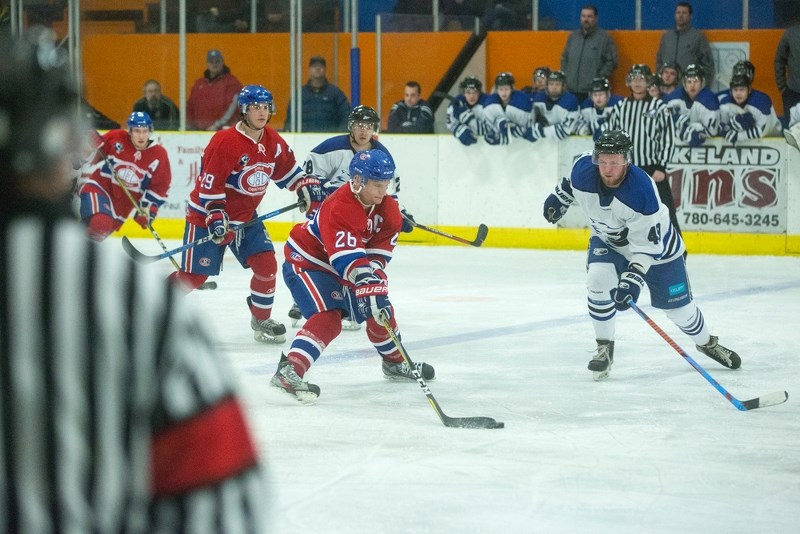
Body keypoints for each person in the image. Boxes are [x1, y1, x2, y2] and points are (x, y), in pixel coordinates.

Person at [0, 28, 267, 532]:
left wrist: (144, 209)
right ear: (57, 140)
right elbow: (228, 504)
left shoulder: (157, 162)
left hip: (122, 213)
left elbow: (156, 191)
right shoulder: (131, 300)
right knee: (97, 225)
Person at [542, 130, 741, 381]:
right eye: (602, 160)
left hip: (658, 251)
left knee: (681, 311)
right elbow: (569, 184)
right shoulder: (583, 169)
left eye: (614, 162)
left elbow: (646, 248)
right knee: (598, 281)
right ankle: (604, 347)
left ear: (626, 160)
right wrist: (558, 198)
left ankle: (707, 343)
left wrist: (632, 280)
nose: (607, 168)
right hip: (609, 240)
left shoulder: (642, 190)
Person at [168, 84, 325, 344]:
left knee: (267, 265)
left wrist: (304, 187)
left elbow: (289, 172)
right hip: (207, 215)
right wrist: (216, 216)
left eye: (265, 107)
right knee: (194, 276)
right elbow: (209, 185)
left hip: (246, 218)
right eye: (255, 107)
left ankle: (261, 319)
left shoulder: (272, 141)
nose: (262, 113)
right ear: (244, 110)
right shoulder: (225, 141)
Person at [275, 150, 436, 403]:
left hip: (341, 262)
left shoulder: (389, 209)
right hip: (309, 260)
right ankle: (290, 370)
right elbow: (346, 259)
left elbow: (377, 255)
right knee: (330, 317)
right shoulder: (339, 205)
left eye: (386, 184)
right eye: (377, 185)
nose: (383, 191)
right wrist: (365, 280)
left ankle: (395, 362)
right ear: (358, 181)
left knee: (379, 307)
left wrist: (373, 282)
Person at [286, 104, 417, 328]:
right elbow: (309, 175)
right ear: (351, 127)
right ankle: (304, 297)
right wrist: (311, 189)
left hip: (362, 212)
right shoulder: (332, 148)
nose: (363, 131)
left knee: (354, 256)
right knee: (319, 252)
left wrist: (399, 212)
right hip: (330, 208)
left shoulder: (382, 156)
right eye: (359, 125)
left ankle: (354, 298)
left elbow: (388, 193)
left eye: (368, 126)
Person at [603, 64, 680, 237]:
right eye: (634, 78)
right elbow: (610, 135)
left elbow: (668, 138)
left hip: (652, 169)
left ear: (649, 82)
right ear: (629, 81)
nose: (637, 82)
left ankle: (678, 252)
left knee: (665, 211)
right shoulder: (620, 107)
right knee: (622, 211)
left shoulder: (659, 107)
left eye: (642, 79)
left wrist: (661, 166)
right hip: (626, 170)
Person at [77, 111, 172, 241]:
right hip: (100, 187)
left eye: (145, 131)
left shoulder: (159, 155)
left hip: (122, 207)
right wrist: (90, 145)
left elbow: (160, 188)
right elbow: (91, 157)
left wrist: (148, 211)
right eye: (137, 131)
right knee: (100, 224)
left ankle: (68, 245)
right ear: (130, 131)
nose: (141, 136)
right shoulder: (117, 137)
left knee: (97, 235)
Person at [560, 4, 618, 103]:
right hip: (570, 91)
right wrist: (567, 77)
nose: (586, 19)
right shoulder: (573, 37)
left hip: (592, 92)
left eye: (589, 16)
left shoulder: (604, 38)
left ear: (595, 18)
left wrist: (598, 78)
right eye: (583, 16)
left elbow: (612, 62)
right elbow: (564, 58)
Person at [284, 56, 350, 132]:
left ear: (325, 70)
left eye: (321, 66)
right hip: (303, 139)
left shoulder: (335, 93)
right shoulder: (300, 94)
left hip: (329, 139)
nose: (318, 68)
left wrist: (339, 135)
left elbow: (345, 116)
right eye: (314, 66)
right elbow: (290, 118)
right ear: (309, 70)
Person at [656, 2, 715, 87]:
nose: (680, 15)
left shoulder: (698, 37)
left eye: (684, 13)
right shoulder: (666, 37)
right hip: (667, 89)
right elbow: (659, 61)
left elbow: (708, 65)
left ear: (690, 16)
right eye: (678, 12)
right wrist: (660, 82)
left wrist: (703, 87)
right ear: (675, 15)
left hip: (689, 89)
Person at [662, 63, 720, 147]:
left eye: (696, 81)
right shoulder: (675, 97)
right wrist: (684, 131)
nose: (692, 85)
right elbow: (661, 113)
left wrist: (684, 126)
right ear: (684, 84)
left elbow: (712, 132)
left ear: (702, 82)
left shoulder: (708, 100)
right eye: (689, 82)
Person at [186, 49, 243, 130]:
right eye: (211, 62)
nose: (214, 64)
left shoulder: (232, 83)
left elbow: (231, 108)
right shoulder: (199, 83)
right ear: (207, 64)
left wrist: (216, 126)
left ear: (222, 62)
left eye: (217, 61)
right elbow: (190, 105)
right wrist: (190, 124)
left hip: (223, 131)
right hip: (198, 131)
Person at [718, 73, 782, 146]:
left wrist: (738, 136)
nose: (738, 93)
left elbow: (762, 131)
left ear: (749, 90)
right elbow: (720, 125)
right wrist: (727, 128)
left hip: (773, 135)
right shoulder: (725, 103)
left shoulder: (761, 103)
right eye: (735, 90)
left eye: (742, 90)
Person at [483, 71, 536, 144]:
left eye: (506, 89)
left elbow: (528, 125)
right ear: (497, 90)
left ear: (512, 89)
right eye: (501, 89)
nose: (504, 93)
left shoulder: (521, 102)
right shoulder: (491, 103)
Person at [530, 69, 581, 140]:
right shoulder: (538, 99)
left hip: (567, 143)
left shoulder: (571, 100)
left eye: (557, 84)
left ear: (563, 86)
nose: (554, 87)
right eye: (551, 84)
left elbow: (568, 128)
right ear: (547, 86)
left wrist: (542, 131)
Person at [446, 75, 490, 145]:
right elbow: (450, 124)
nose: (472, 96)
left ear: (479, 93)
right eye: (468, 92)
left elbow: (492, 126)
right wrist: (459, 130)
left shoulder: (488, 102)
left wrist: (470, 121)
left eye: (475, 92)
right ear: (464, 93)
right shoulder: (456, 104)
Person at [774, 23, 800, 128]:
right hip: (792, 93)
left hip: (791, 91)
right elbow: (779, 60)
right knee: (791, 132)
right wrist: (783, 88)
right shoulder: (791, 33)